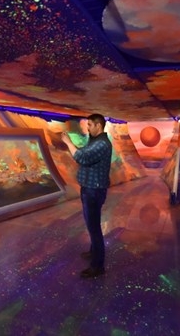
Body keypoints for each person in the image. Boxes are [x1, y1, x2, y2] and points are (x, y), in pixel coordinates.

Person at [61, 113, 113, 278]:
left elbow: (82, 157)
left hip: (93, 190)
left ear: (98, 125)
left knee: (94, 227)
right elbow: (84, 151)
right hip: (90, 189)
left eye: (90, 125)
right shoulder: (95, 141)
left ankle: (98, 266)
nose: (87, 128)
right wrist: (73, 144)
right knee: (92, 224)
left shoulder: (102, 144)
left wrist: (68, 142)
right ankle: (93, 251)